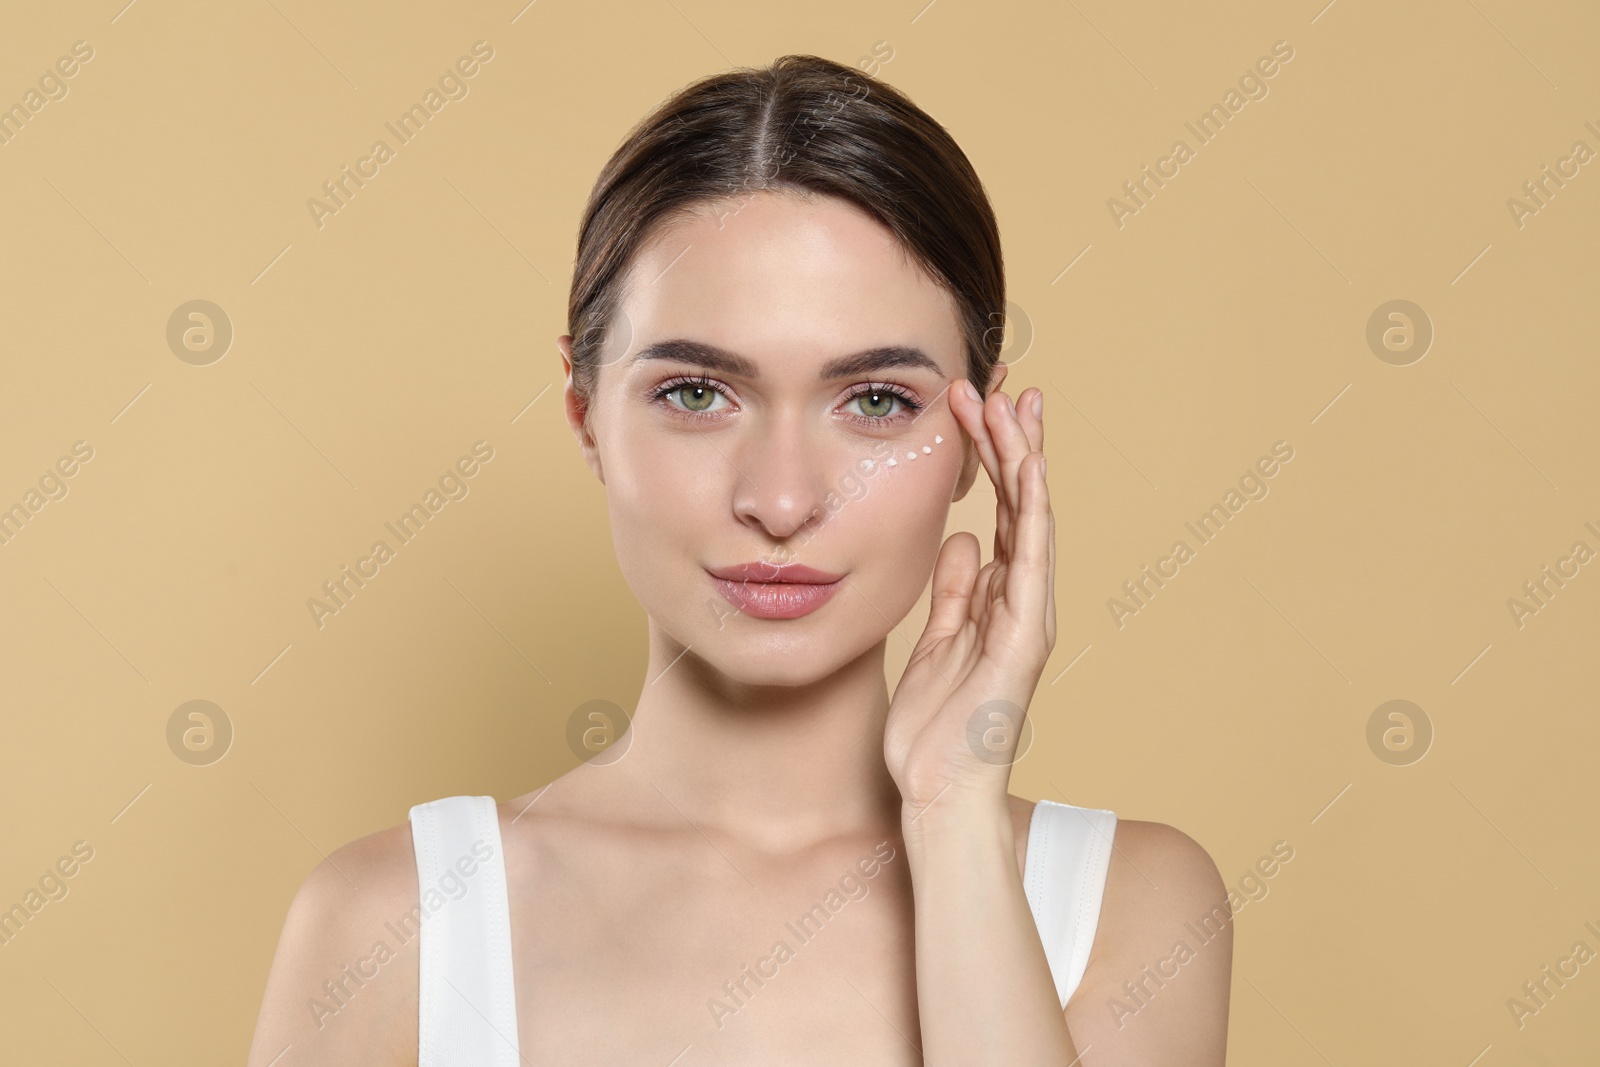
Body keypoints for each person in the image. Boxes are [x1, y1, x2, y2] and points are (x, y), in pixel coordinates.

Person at [248, 53, 1231, 1065]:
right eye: (696, 393)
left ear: (980, 438)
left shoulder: (1127, 902)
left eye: (877, 401)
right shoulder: (387, 926)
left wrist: (955, 821)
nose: (781, 499)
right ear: (586, 415)